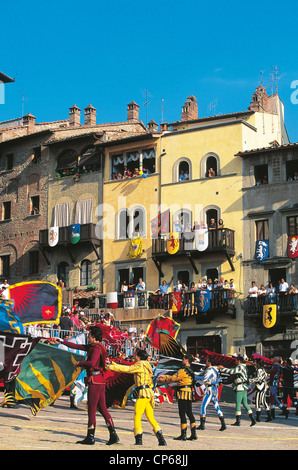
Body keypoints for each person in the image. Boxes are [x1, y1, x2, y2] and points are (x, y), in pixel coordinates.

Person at [57, 325, 119, 446]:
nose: (88, 337)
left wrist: (79, 363)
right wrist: (61, 341)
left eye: (89, 335)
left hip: (94, 380)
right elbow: (77, 346)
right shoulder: (96, 347)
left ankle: (90, 436)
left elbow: (92, 363)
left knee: (91, 408)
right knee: (102, 408)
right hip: (99, 380)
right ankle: (113, 434)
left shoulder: (96, 348)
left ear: (94, 336)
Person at [107, 348, 166, 446]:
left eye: (135, 355)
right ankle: (161, 439)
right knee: (150, 417)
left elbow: (128, 369)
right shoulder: (147, 365)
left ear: (138, 357)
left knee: (137, 417)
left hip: (143, 393)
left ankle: (139, 440)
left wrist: (111, 367)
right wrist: (114, 365)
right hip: (148, 393)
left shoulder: (140, 364)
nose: (134, 356)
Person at [157, 354, 197, 441]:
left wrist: (163, 379)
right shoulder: (191, 370)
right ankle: (193, 434)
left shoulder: (183, 370)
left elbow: (174, 378)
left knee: (182, 413)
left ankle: (183, 434)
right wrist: (166, 376)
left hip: (183, 393)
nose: (182, 360)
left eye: (183, 359)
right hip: (189, 392)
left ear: (186, 360)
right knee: (189, 413)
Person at [218, 355, 256, 427]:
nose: (235, 362)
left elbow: (232, 371)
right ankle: (252, 419)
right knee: (245, 403)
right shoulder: (244, 367)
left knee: (238, 404)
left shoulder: (239, 367)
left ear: (238, 361)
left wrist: (222, 368)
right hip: (244, 386)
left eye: (235, 361)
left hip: (240, 386)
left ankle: (238, 421)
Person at [196, 357, 226, 431]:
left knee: (203, 406)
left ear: (209, 363)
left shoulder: (209, 370)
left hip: (209, 389)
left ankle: (202, 425)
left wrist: (194, 376)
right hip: (215, 389)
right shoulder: (215, 369)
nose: (205, 362)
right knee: (216, 406)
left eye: (206, 361)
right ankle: (223, 424)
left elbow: (204, 378)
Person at [250, 358, 271, 422]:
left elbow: (258, 378)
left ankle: (258, 417)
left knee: (257, 401)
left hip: (259, 387)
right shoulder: (263, 369)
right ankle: (269, 415)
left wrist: (250, 380)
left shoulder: (259, 370)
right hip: (263, 386)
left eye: (255, 362)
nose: (254, 363)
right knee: (263, 401)